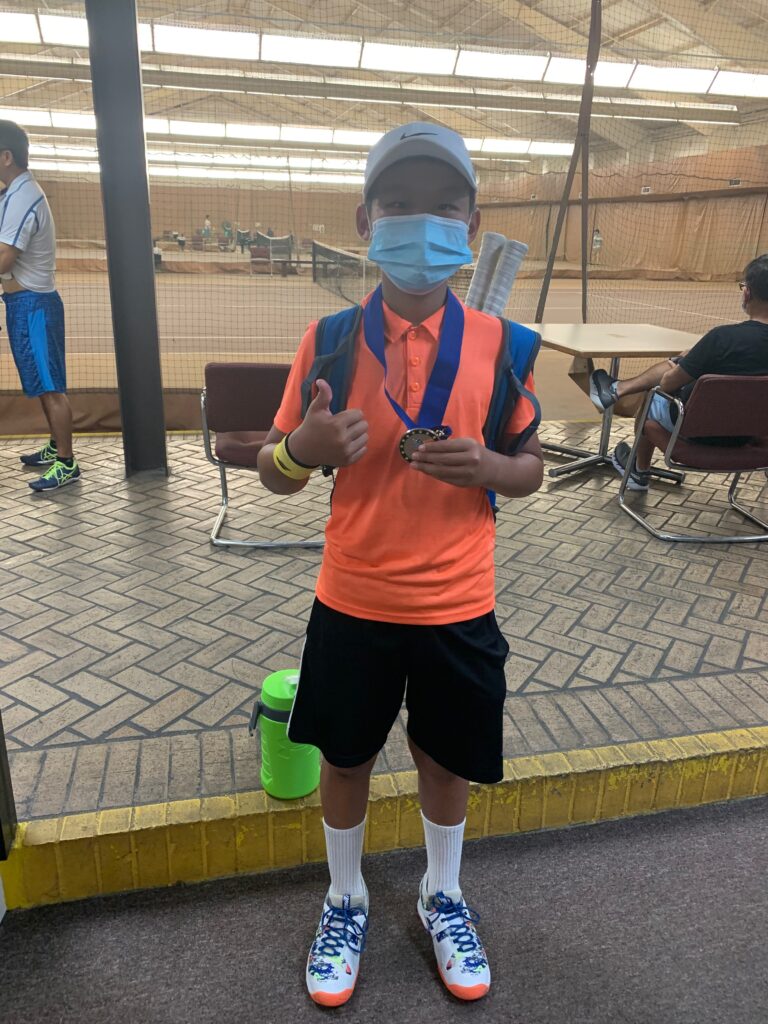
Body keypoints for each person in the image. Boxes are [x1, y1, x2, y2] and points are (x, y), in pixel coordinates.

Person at [256, 122, 543, 1008]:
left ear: (471, 225)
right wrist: (300, 450)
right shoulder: (330, 339)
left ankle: (440, 893)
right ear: (365, 221)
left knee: (445, 762)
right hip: (353, 599)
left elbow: (531, 468)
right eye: (399, 205)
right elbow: (273, 470)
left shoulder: (505, 344)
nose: (422, 224)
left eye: (444, 207)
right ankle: (345, 899)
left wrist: (488, 467)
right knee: (345, 760)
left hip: (460, 602)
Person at [589, 253, 768, 490]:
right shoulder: (724, 340)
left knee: (654, 394)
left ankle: (638, 471)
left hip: (696, 431)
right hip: (751, 436)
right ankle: (616, 389)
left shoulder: (722, 338)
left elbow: (667, 385)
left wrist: (686, 364)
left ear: (747, 293)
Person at [0, 120, 80, 491]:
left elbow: (5, 257)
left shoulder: (23, 197)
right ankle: (54, 445)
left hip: (34, 306)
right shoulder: (12, 194)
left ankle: (66, 463)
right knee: (39, 382)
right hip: (22, 303)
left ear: (6, 157)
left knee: (50, 386)